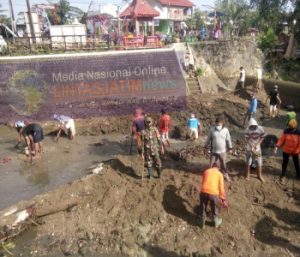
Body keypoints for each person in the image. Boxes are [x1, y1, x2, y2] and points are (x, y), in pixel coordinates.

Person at [199, 163, 227, 229]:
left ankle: (202, 222)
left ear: (212, 167)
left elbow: (203, 182)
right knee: (215, 207)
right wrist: (223, 199)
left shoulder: (206, 171)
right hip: (213, 193)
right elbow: (221, 187)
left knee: (203, 207)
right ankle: (215, 221)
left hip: (203, 192)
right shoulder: (219, 174)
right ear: (218, 168)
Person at [204, 117, 233, 181]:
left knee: (223, 164)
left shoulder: (226, 130)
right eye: (217, 124)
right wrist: (205, 146)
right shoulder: (212, 130)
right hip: (214, 151)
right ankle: (210, 176)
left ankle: (226, 175)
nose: (218, 126)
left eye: (219, 124)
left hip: (222, 151)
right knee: (211, 164)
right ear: (215, 123)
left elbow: (229, 140)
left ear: (222, 124)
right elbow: (208, 139)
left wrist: (230, 148)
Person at [244, 118, 266, 182]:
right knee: (248, 162)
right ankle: (247, 175)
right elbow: (247, 139)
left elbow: (262, 137)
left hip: (257, 149)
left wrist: (257, 144)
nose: (253, 128)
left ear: (256, 125)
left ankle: (259, 175)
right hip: (249, 149)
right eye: (251, 127)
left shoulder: (260, 129)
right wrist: (251, 145)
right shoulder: (247, 130)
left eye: (254, 126)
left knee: (258, 162)